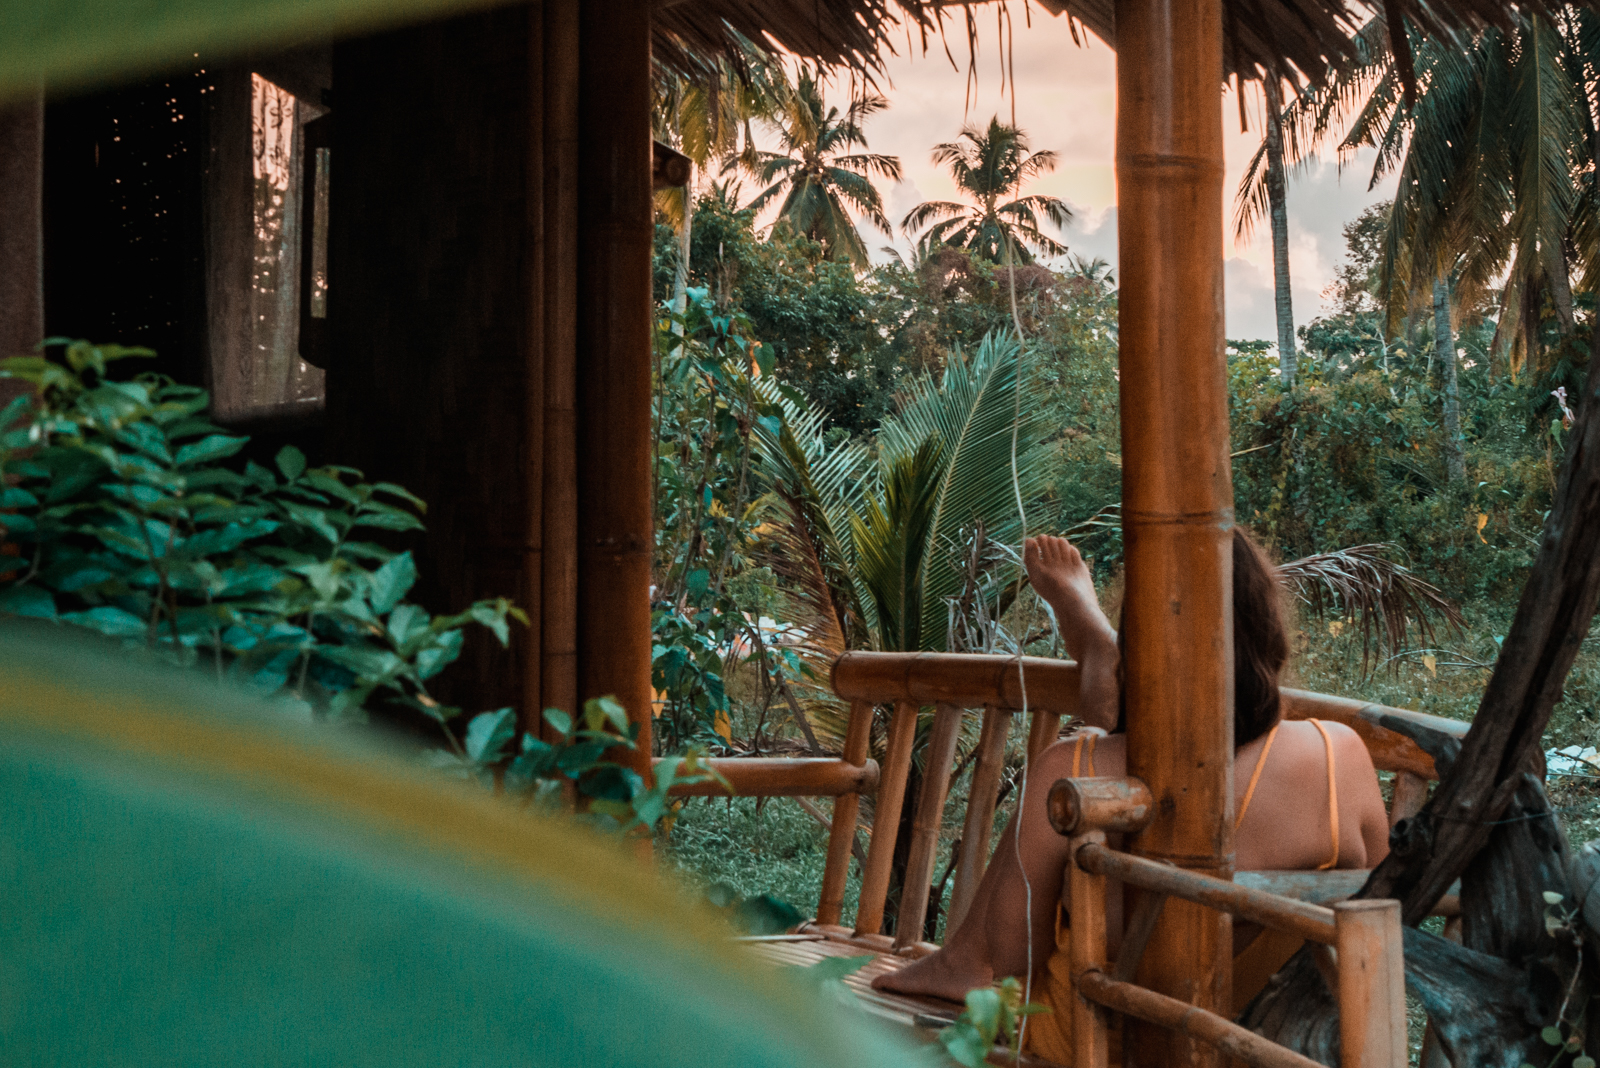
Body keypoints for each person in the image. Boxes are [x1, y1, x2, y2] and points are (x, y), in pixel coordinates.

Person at [874, 528, 1390, 1003]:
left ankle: (1105, 670)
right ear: (1268, 634)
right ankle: (1102, 663)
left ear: (1142, 648)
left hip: (1101, 1042)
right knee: (1089, 756)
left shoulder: (1072, 771)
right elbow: (1380, 914)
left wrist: (1091, 748)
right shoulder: (1338, 755)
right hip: (1265, 1044)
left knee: (1082, 760)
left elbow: (1012, 958)